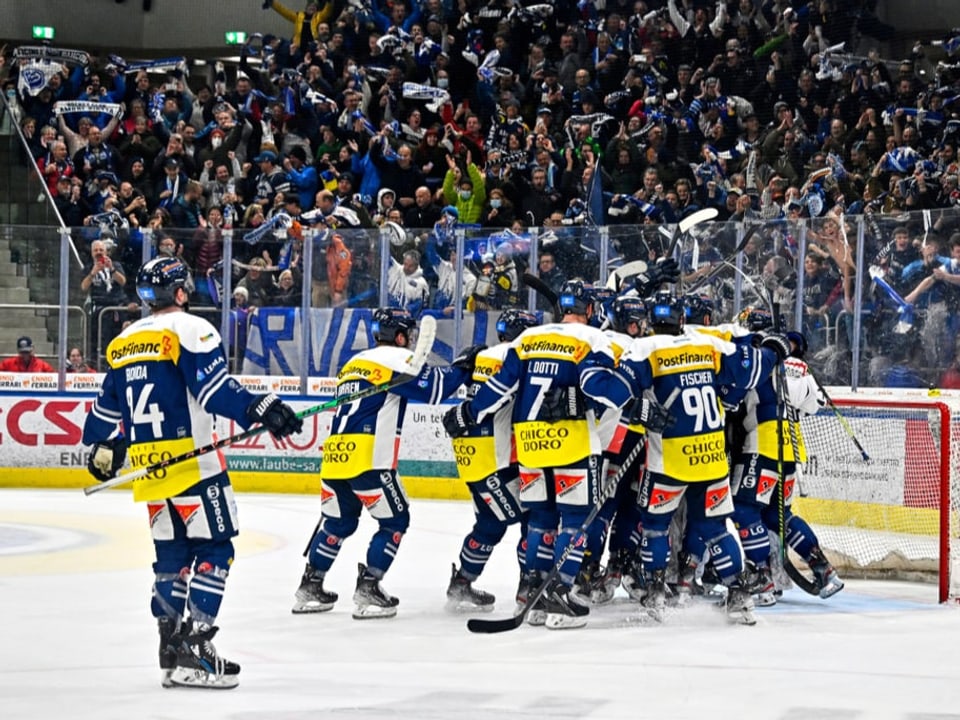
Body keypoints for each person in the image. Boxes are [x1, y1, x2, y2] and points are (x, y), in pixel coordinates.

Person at [81, 256, 302, 689]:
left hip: (151, 473)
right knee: (217, 550)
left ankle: (170, 648)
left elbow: (104, 417)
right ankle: (197, 651)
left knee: (172, 559)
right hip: (195, 465)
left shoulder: (123, 341)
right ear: (181, 291)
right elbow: (215, 391)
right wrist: (265, 408)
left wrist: (105, 448)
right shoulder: (190, 329)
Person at [443, 281, 627, 630]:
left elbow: (499, 387)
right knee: (575, 520)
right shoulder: (592, 338)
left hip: (529, 444)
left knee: (541, 520)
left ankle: (536, 594)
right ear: (590, 311)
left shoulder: (529, 339)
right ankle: (560, 595)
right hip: (571, 441)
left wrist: (469, 412)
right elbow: (598, 389)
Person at [611, 291, 788, 624]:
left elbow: (615, 391)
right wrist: (774, 350)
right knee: (715, 528)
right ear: (681, 320)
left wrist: (638, 408)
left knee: (654, 528)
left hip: (669, 461)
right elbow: (750, 372)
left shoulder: (645, 349)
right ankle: (739, 595)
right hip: (710, 459)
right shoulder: (707, 345)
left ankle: (656, 594)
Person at [292, 308, 478, 619]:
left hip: (335, 457)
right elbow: (436, 390)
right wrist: (463, 367)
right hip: (369, 459)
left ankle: (310, 585)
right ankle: (369, 587)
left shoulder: (355, 363)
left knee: (338, 523)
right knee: (395, 521)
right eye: (409, 335)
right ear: (401, 336)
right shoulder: (394, 359)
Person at [445, 308, 540, 611]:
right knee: (534, 516)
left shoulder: (482, 355)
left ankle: (462, 583)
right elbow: (499, 394)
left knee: (490, 524)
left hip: (472, 457)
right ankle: (529, 585)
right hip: (498, 460)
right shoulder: (515, 357)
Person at [81, 239, 128, 362]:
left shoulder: (115, 265)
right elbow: (83, 287)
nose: (98, 252)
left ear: (106, 252)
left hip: (116, 308)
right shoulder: (89, 267)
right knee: (99, 341)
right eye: (95, 250)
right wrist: (93, 273)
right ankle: (99, 363)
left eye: (101, 250)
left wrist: (111, 269)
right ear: (91, 253)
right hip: (99, 308)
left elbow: (123, 281)